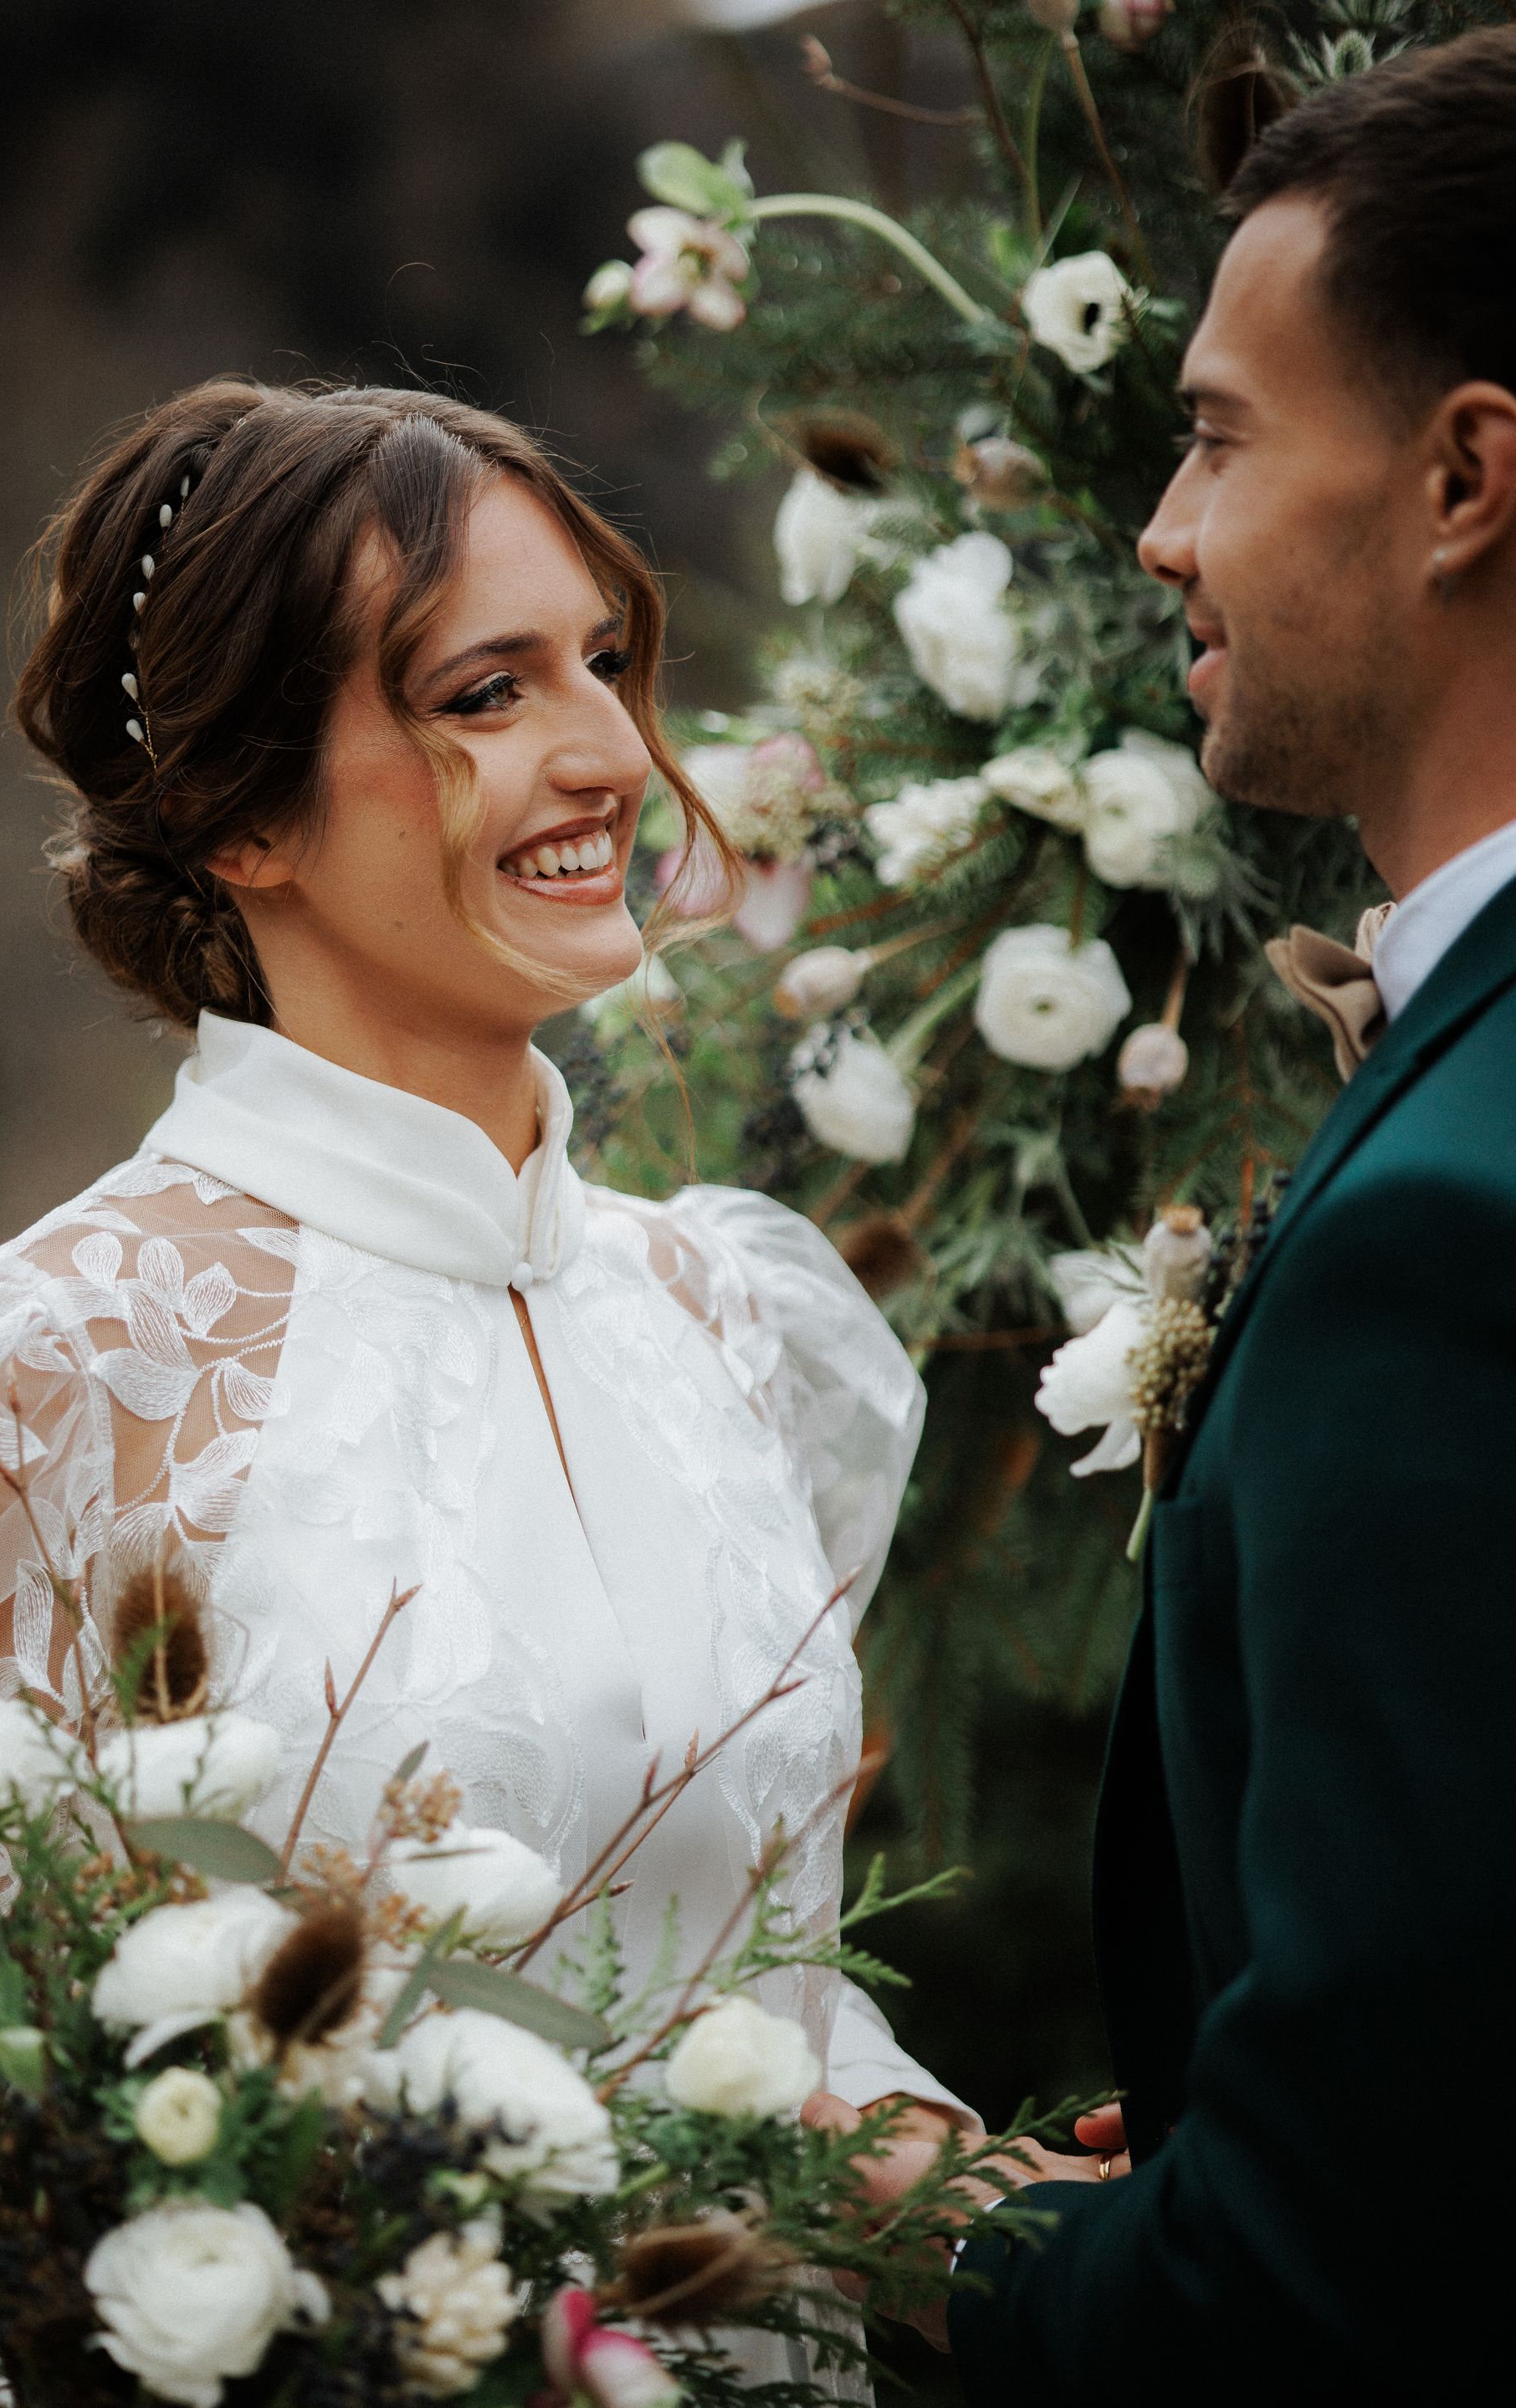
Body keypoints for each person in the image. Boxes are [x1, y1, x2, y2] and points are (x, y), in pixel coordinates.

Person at [0, 381, 972, 2402]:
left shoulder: (739, 1322)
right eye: (487, 694)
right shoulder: (29, 1375)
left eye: (606, 663)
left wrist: (981, 2199)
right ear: (242, 817)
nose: (612, 754)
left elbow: (767, 1995)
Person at [815, 28, 1516, 2397]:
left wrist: (958, 2237)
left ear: (1465, 478)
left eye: (1219, 437)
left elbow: (1331, 2297)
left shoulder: (1444, 1229)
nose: (1159, 531)